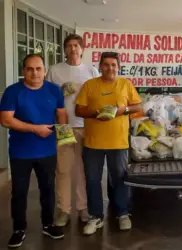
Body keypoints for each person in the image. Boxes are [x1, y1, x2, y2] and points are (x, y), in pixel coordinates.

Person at [0, 54, 67, 248]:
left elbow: (61, 112)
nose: (35, 73)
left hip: (47, 151)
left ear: (44, 71)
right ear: (24, 71)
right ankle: (19, 229)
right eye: (30, 69)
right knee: (19, 192)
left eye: (38, 68)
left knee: (48, 190)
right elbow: (5, 119)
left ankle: (48, 224)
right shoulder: (13, 92)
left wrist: (63, 136)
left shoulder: (54, 90)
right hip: (21, 153)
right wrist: (35, 129)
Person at [75, 51, 142, 235]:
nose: (110, 68)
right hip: (93, 143)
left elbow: (138, 106)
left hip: (118, 142)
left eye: (113, 65)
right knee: (92, 180)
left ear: (118, 67)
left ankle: (122, 213)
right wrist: (96, 113)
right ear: (100, 67)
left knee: (119, 179)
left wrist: (123, 109)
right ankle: (95, 217)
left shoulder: (125, 84)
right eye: (106, 64)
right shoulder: (90, 85)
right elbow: (78, 110)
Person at [46, 34, 100, 226]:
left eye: (76, 45)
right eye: (68, 46)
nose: (73, 49)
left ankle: (83, 208)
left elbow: (98, 97)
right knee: (63, 169)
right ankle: (64, 210)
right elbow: (46, 96)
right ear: (64, 50)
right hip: (64, 126)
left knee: (85, 170)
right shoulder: (55, 70)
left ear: (82, 49)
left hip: (86, 126)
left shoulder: (91, 70)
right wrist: (59, 91)